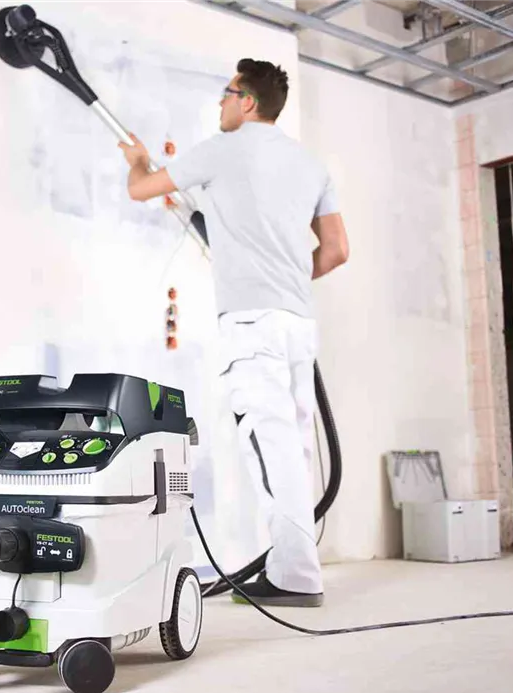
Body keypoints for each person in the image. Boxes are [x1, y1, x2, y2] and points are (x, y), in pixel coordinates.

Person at [118, 58, 349, 607]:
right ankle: (291, 565)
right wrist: (286, 276)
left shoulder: (222, 150)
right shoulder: (311, 165)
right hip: (297, 324)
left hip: (252, 325)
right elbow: (337, 251)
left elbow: (141, 189)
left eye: (226, 93)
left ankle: (295, 578)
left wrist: (137, 161)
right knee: (293, 448)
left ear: (247, 101)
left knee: (271, 448)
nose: (220, 103)